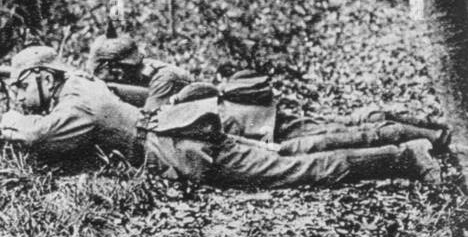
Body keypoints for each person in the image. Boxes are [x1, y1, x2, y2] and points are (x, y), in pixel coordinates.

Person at [0, 46, 441, 188]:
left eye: (20, 85)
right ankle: (410, 147)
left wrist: (3, 126)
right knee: (295, 149)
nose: (19, 96)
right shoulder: (80, 82)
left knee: (296, 168)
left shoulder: (76, 103)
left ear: (42, 76)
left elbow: (40, 137)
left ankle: (403, 158)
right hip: (187, 131)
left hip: (181, 146)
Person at [88, 32, 449, 155]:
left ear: (117, 70)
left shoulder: (162, 78)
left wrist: (107, 97)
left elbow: (149, 121)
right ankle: (431, 131)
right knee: (340, 126)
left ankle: (435, 137)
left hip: (253, 122)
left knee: (347, 135)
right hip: (253, 115)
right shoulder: (155, 70)